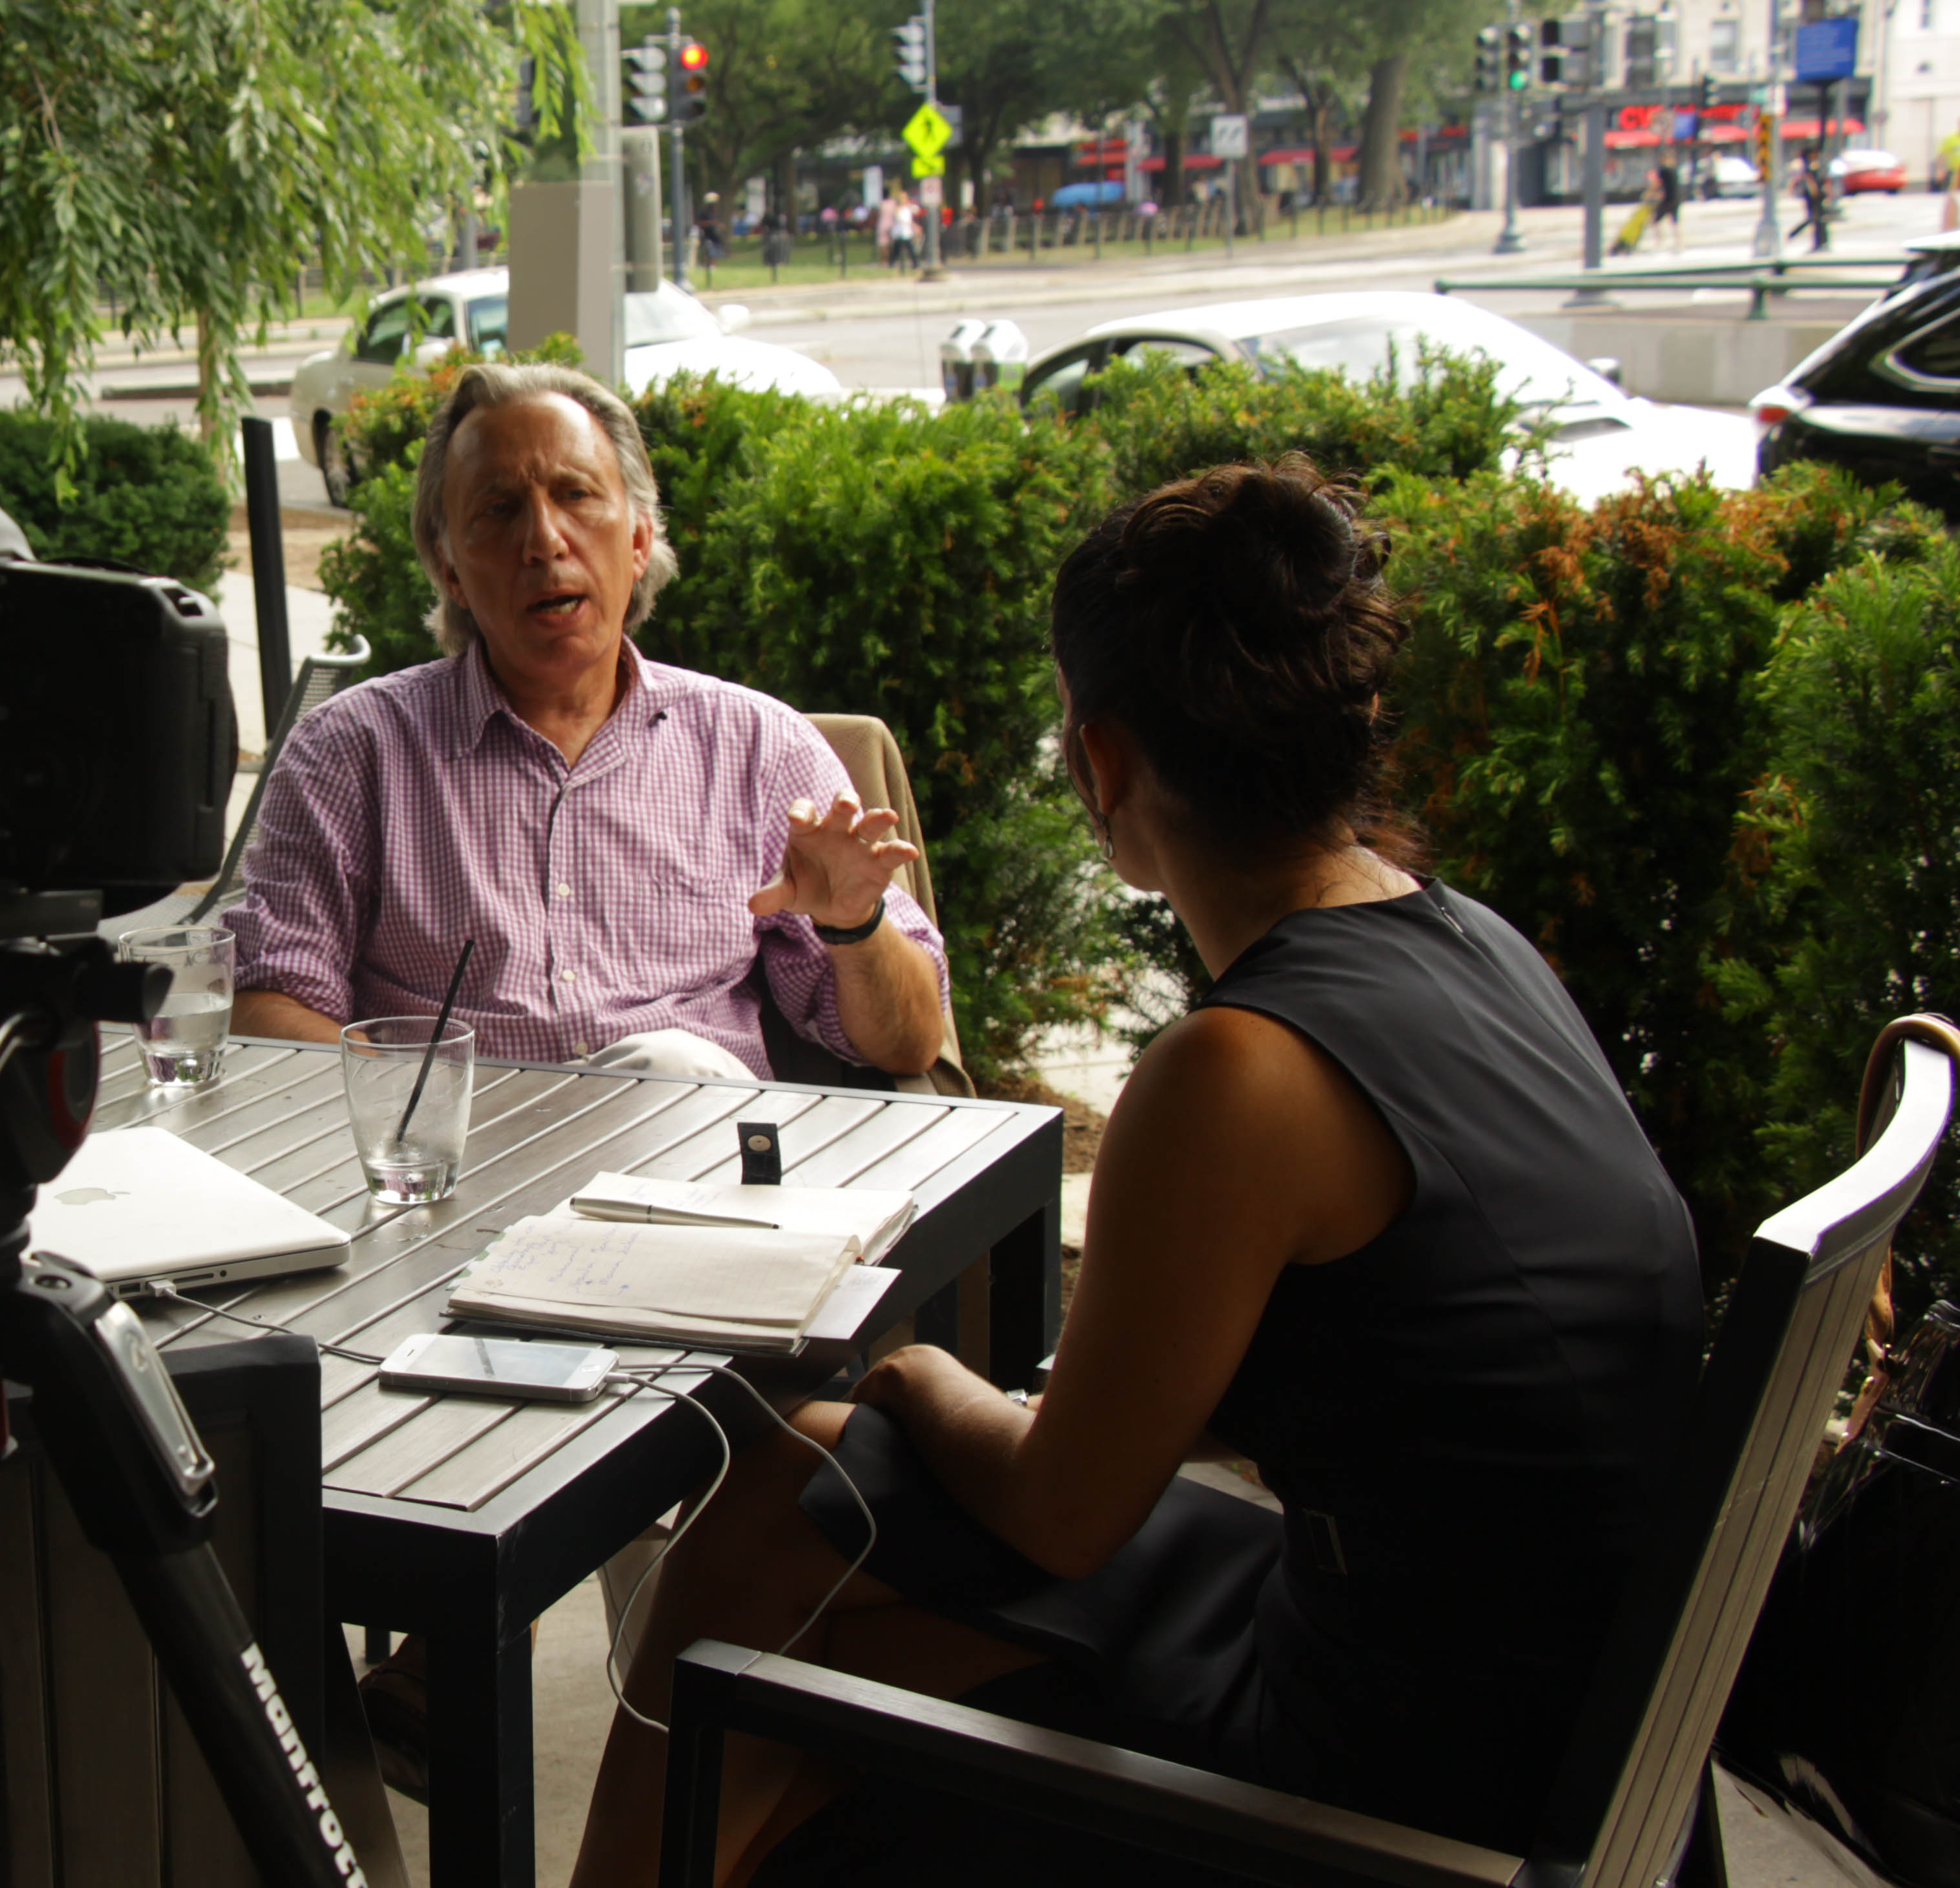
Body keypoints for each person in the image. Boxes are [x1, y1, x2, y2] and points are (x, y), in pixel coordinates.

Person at [567, 458, 1703, 1887]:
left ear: (1102, 763)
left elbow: (1062, 1509)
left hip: (1404, 1770)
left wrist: (916, 1374)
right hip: (1541, 1690)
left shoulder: (1239, 1070)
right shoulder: (1475, 944)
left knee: (793, 1558)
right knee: (800, 1551)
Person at [222, 362, 949, 1088]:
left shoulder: (762, 749)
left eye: (575, 495)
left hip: (699, 1141)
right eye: (499, 510)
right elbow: (268, 1001)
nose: (544, 540)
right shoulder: (353, 752)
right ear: (450, 570)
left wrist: (856, 925)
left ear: (638, 541)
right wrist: (428, 1108)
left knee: (672, 1067)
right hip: (457, 1144)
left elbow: (910, 1046)